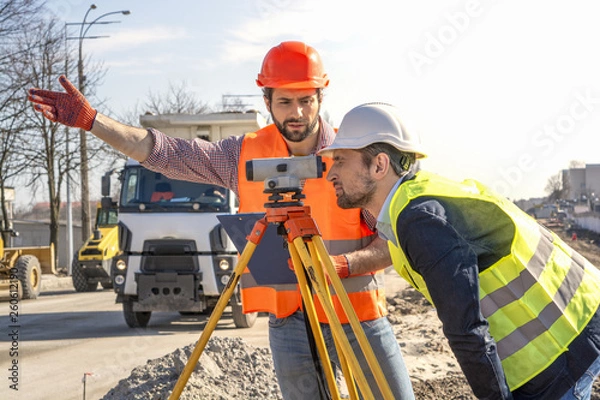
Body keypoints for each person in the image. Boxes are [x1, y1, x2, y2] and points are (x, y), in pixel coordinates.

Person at [27, 42, 414, 399]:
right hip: (288, 320)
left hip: (356, 314)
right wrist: (94, 121)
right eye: (284, 101)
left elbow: (394, 243)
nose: (296, 113)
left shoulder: (353, 154)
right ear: (267, 100)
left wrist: (340, 266)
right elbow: (165, 152)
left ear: (320, 98)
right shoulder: (244, 155)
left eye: (305, 100)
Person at [320, 102, 600, 400]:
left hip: (565, 345)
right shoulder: (410, 204)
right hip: (569, 329)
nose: (330, 174)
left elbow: (467, 331)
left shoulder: (418, 219)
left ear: (379, 165)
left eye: (340, 160)